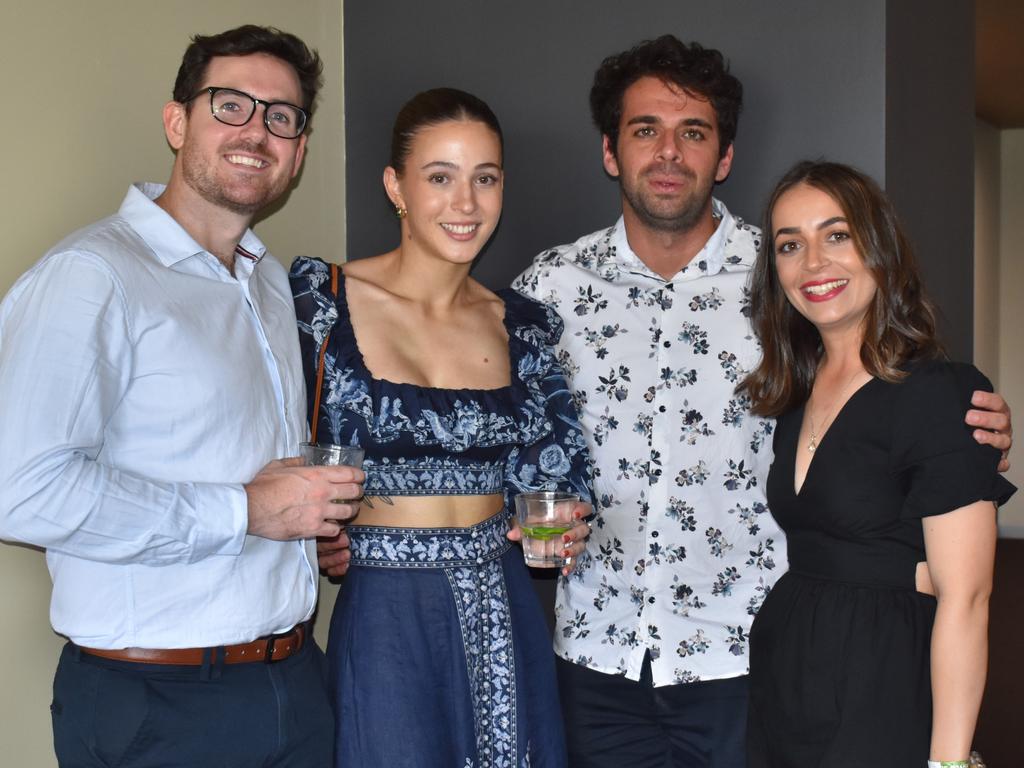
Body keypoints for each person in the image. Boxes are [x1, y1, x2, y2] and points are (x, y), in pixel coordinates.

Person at [511, 36, 1014, 767]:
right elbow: (494, 430)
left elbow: (888, 398)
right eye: (645, 130)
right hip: (596, 657)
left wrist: (975, 436)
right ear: (611, 151)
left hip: (750, 658)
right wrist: (507, 512)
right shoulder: (548, 288)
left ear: (724, 158)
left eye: (695, 133)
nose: (669, 152)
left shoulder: (788, 279)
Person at [0, 25, 364, 767]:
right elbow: (20, 490)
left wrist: (305, 529)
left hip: (296, 681)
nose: (256, 131)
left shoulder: (265, 281)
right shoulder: (91, 276)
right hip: (157, 709)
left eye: (281, 117)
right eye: (231, 105)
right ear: (177, 122)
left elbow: (230, 457)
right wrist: (248, 511)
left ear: (298, 150)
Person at [290, 88, 593, 767]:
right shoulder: (323, 306)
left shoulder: (521, 325)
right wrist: (307, 541)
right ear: (395, 186)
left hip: (505, 600)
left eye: (485, 178)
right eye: (440, 177)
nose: (466, 203)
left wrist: (569, 519)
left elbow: (556, 479)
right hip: (385, 616)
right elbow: (271, 455)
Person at [739, 160, 1015, 767]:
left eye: (837, 235)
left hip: (880, 679)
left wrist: (949, 762)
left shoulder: (941, 393)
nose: (813, 262)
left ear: (881, 248)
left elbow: (966, 598)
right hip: (788, 679)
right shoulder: (797, 393)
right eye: (791, 244)